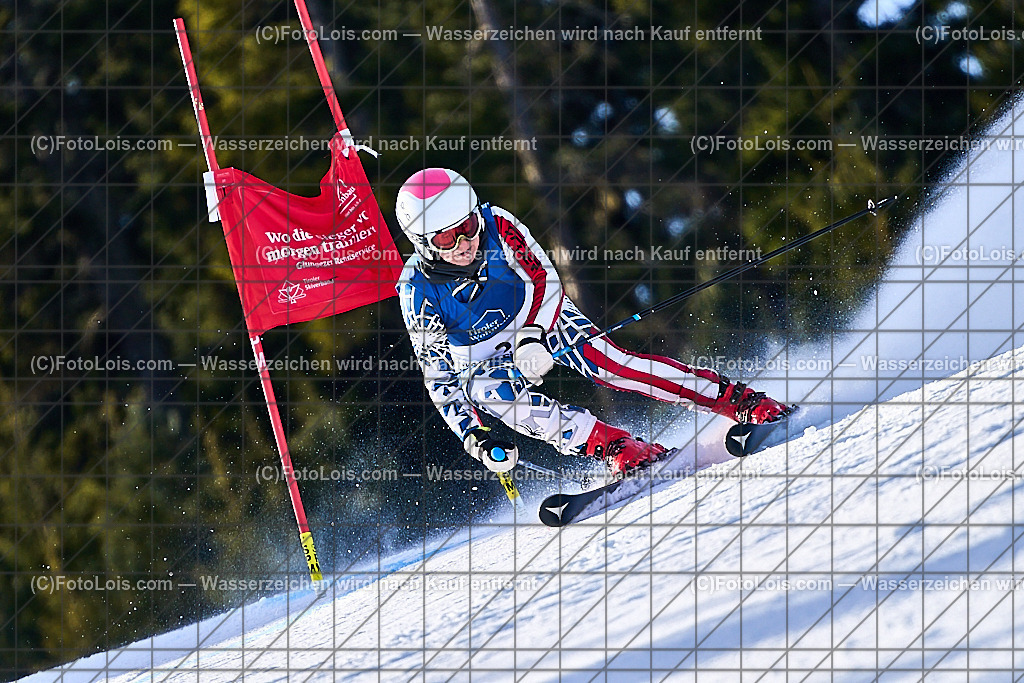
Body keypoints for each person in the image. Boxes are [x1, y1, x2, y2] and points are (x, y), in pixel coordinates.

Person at [395, 168, 792, 477]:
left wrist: (533, 335)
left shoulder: (497, 224)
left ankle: (740, 401)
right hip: (483, 356)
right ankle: (618, 447)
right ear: (423, 242)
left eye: (466, 228)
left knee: (611, 366)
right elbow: (440, 376)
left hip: (540, 316)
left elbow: (544, 278)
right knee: (489, 392)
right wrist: (474, 436)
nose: (465, 244)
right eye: (447, 240)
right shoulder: (416, 291)